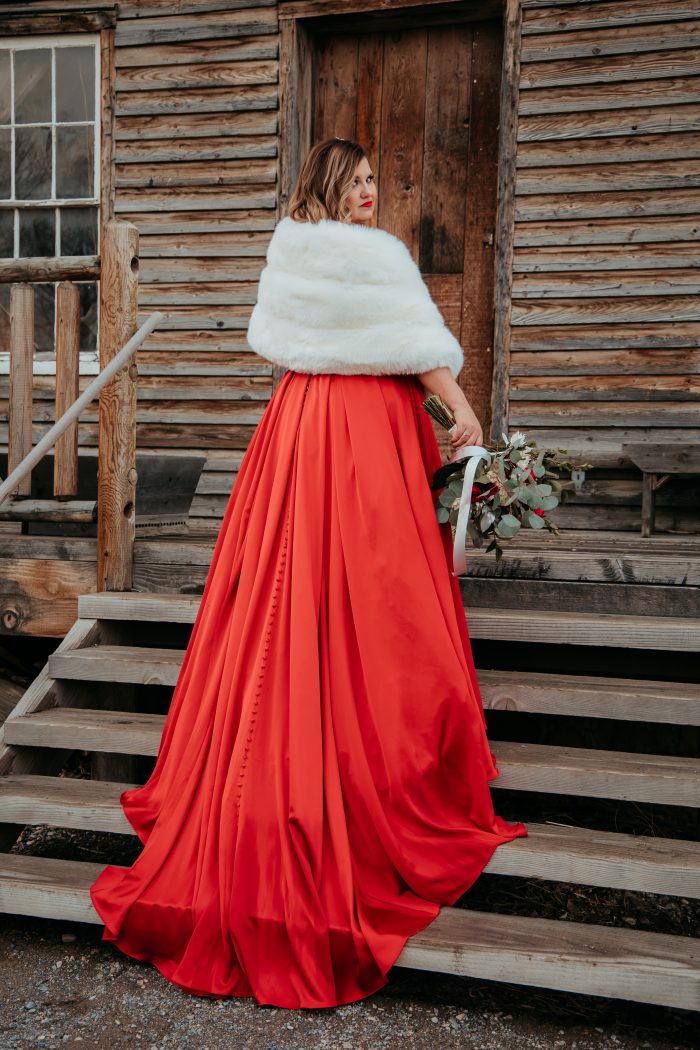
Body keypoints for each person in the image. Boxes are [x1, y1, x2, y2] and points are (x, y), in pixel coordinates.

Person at [89, 137, 528, 1010]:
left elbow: (289, 347)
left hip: (297, 427)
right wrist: (465, 409)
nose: (371, 191)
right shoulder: (375, 257)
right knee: (375, 588)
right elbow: (413, 348)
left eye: (374, 179)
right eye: (359, 179)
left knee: (287, 585)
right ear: (334, 184)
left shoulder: (287, 247)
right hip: (359, 434)